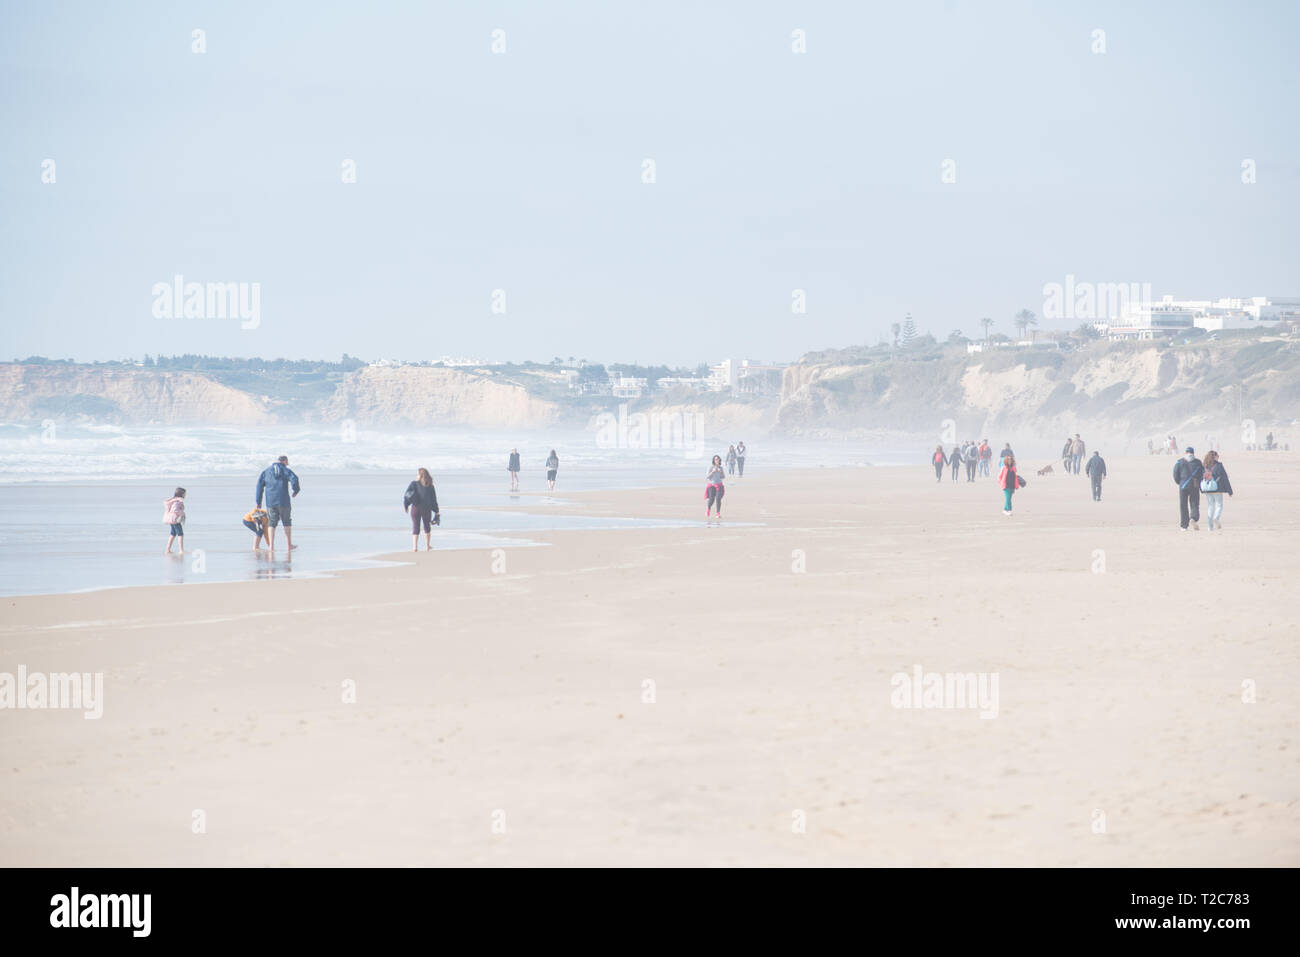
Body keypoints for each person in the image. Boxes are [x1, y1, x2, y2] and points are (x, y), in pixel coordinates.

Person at [255, 455, 301, 551]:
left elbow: (259, 486)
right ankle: (289, 545)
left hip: (270, 501)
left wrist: (258, 501)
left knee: (272, 523)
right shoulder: (285, 470)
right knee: (287, 521)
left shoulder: (266, 471)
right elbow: (294, 478)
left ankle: (271, 546)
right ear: (284, 461)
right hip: (284, 500)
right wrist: (295, 490)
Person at [404, 467, 440, 551]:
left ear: (420, 475)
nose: (416, 476)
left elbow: (407, 495)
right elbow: (433, 500)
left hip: (415, 509)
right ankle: (427, 546)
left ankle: (415, 547)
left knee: (415, 527)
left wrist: (406, 505)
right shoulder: (430, 486)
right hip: (426, 509)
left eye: (417, 474)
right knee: (427, 527)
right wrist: (436, 511)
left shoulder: (413, 484)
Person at [1201, 451, 1234, 531]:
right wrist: (1230, 491)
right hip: (1217, 488)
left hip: (1207, 489)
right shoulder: (1219, 465)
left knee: (1210, 507)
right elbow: (1225, 478)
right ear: (1214, 456)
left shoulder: (1204, 466)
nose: (1218, 457)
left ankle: (1210, 527)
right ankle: (1216, 518)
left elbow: (1201, 478)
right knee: (1219, 505)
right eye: (1217, 456)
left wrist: (1201, 489)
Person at [1172, 446, 1201, 530]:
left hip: (1183, 485)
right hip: (1194, 485)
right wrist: (1198, 482)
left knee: (1183, 505)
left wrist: (1179, 482)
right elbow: (1201, 474)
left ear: (1185, 453)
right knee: (1194, 503)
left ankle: (1184, 526)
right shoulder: (1198, 462)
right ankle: (1193, 518)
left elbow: (1175, 474)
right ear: (1193, 453)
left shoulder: (1179, 462)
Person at [163, 487, 186, 554]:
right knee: (180, 534)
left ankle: (168, 549)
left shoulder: (173, 500)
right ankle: (181, 550)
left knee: (173, 533)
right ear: (181, 494)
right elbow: (175, 510)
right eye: (184, 494)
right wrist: (182, 513)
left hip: (171, 519)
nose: (185, 495)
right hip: (175, 519)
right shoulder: (178, 501)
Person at [706, 454, 726, 522]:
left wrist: (721, 472)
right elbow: (707, 477)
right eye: (715, 459)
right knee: (711, 499)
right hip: (711, 485)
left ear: (719, 460)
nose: (717, 460)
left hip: (719, 485)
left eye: (718, 459)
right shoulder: (710, 467)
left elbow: (723, 477)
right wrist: (712, 472)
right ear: (713, 460)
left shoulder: (721, 468)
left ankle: (718, 513)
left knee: (718, 499)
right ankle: (708, 509)